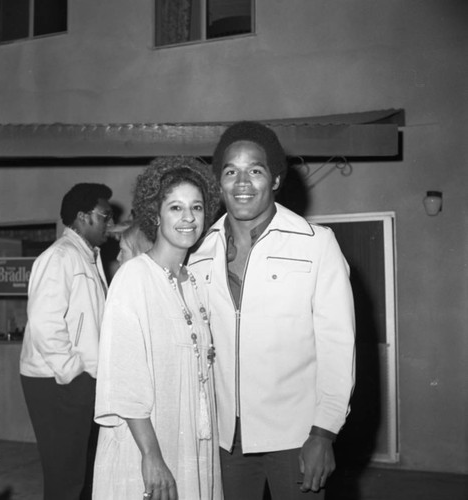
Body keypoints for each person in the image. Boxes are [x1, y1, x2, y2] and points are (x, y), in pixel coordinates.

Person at [188, 121, 356, 500]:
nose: (242, 182)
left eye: (255, 170)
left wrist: (324, 432)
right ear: (219, 183)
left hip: (296, 438)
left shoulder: (316, 245)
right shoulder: (199, 251)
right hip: (224, 441)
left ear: (276, 180)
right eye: (231, 171)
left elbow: (337, 345)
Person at [93, 157, 223, 500]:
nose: (188, 218)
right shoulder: (134, 278)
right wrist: (151, 456)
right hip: (146, 446)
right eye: (175, 207)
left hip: (188, 439)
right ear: (155, 214)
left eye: (196, 207)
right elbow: (124, 377)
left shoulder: (193, 281)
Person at [20, 182, 114, 500]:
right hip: (56, 381)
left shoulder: (87, 258)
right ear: (83, 217)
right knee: (66, 478)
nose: (110, 223)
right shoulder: (60, 258)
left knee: (79, 475)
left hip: (73, 379)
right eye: (105, 215)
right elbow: (46, 325)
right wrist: (75, 374)